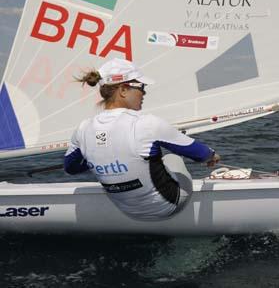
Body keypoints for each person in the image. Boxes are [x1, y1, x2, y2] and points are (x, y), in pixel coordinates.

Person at [64, 58, 220, 220]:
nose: (144, 92)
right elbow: (201, 154)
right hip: (169, 206)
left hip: (128, 211)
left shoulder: (83, 128)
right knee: (172, 157)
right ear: (123, 90)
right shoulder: (148, 123)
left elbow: (71, 168)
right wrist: (212, 156)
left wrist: (99, 159)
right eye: (141, 87)